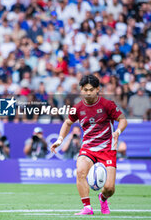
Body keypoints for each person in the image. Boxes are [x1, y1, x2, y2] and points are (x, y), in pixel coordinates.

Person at [51, 75, 128, 215]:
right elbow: (67, 123)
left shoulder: (107, 105)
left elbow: (123, 120)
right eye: (85, 89)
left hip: (107, 149)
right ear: (81, 89)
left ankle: (103, 198)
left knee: (110, 188)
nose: (88, 93)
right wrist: (60, 139)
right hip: (88, 149)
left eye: (91, 90)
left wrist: (117, 131)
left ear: (98, 89)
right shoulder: (77, 108)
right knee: (80, 171)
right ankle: (87, 207)